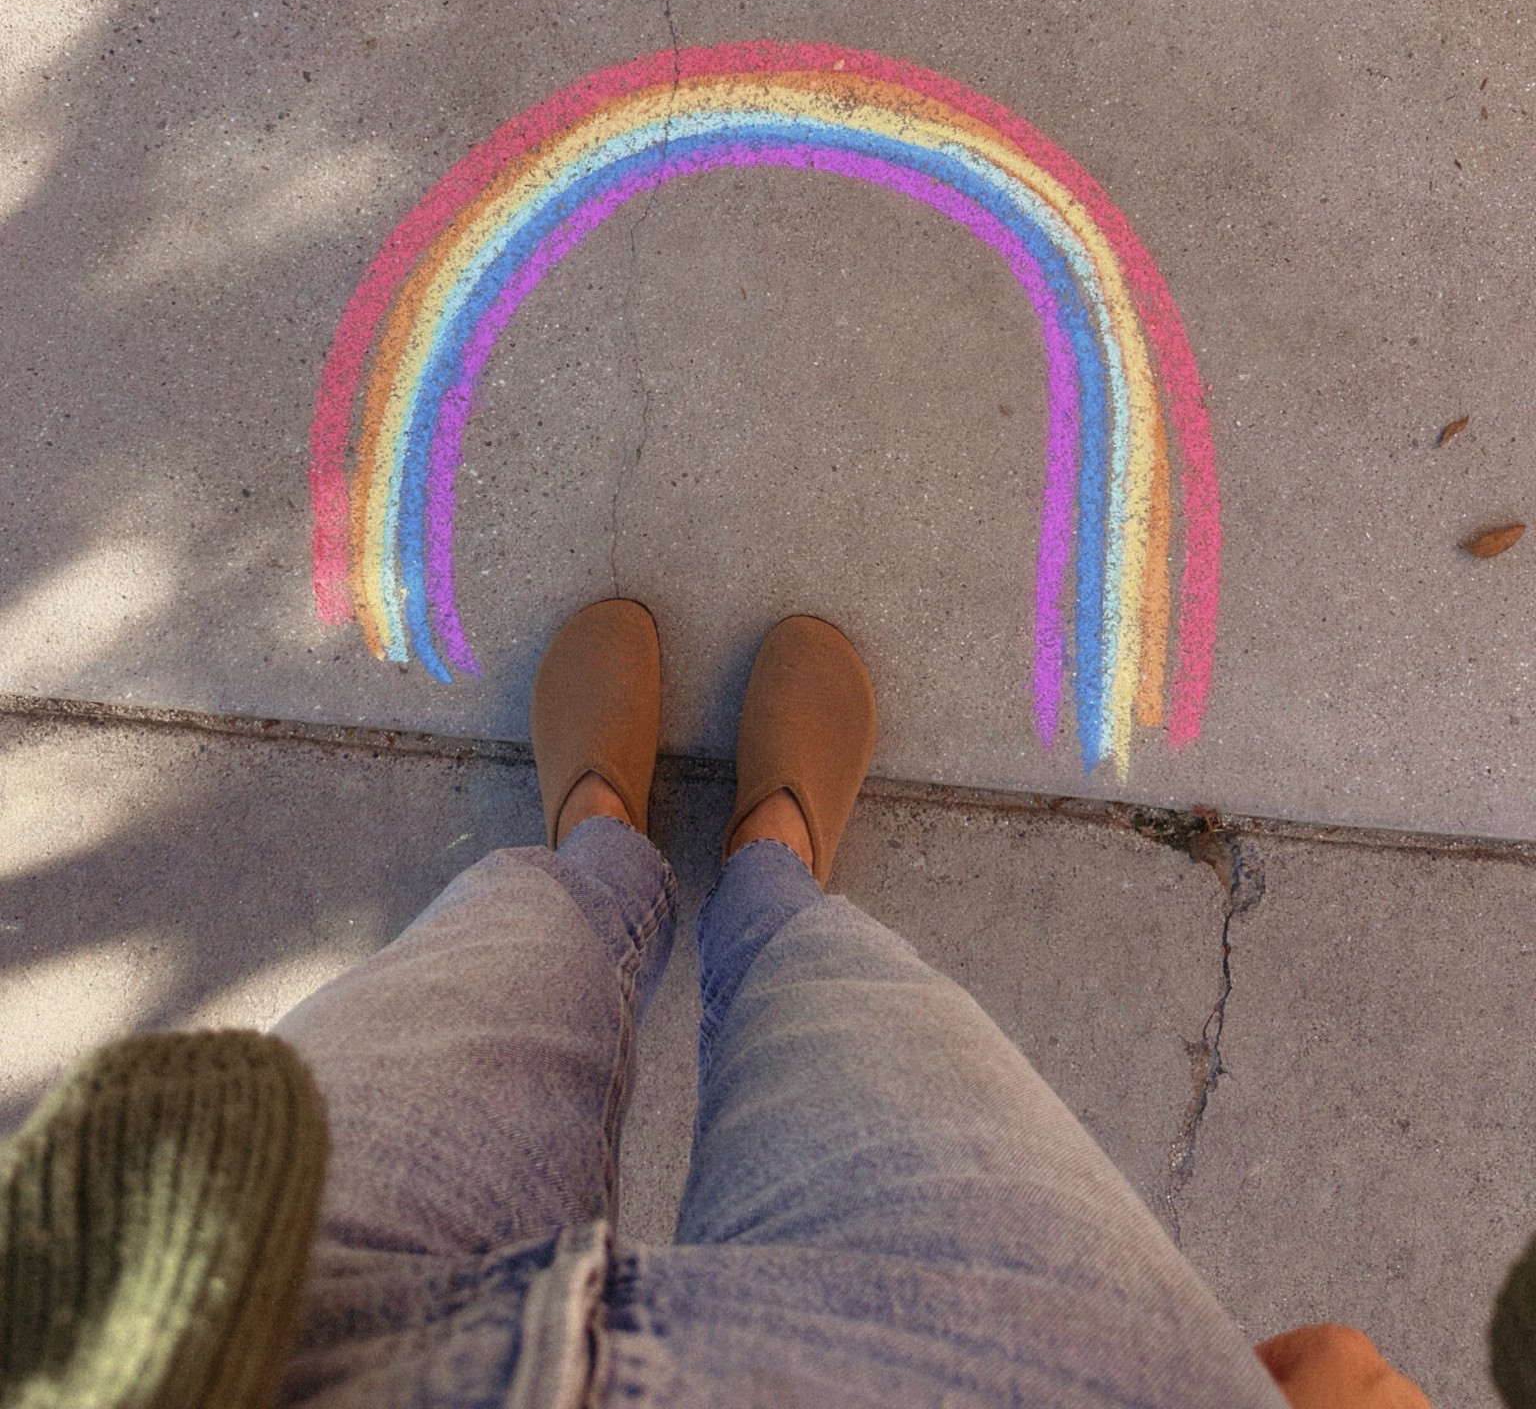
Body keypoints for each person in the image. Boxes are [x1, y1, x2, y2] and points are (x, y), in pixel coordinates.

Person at [0, 602, 1437, 1408]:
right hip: (1001, 1378)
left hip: (275, 1348)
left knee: (497, 956)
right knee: (848, 1004)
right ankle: (773, 863)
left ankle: (599, 843)